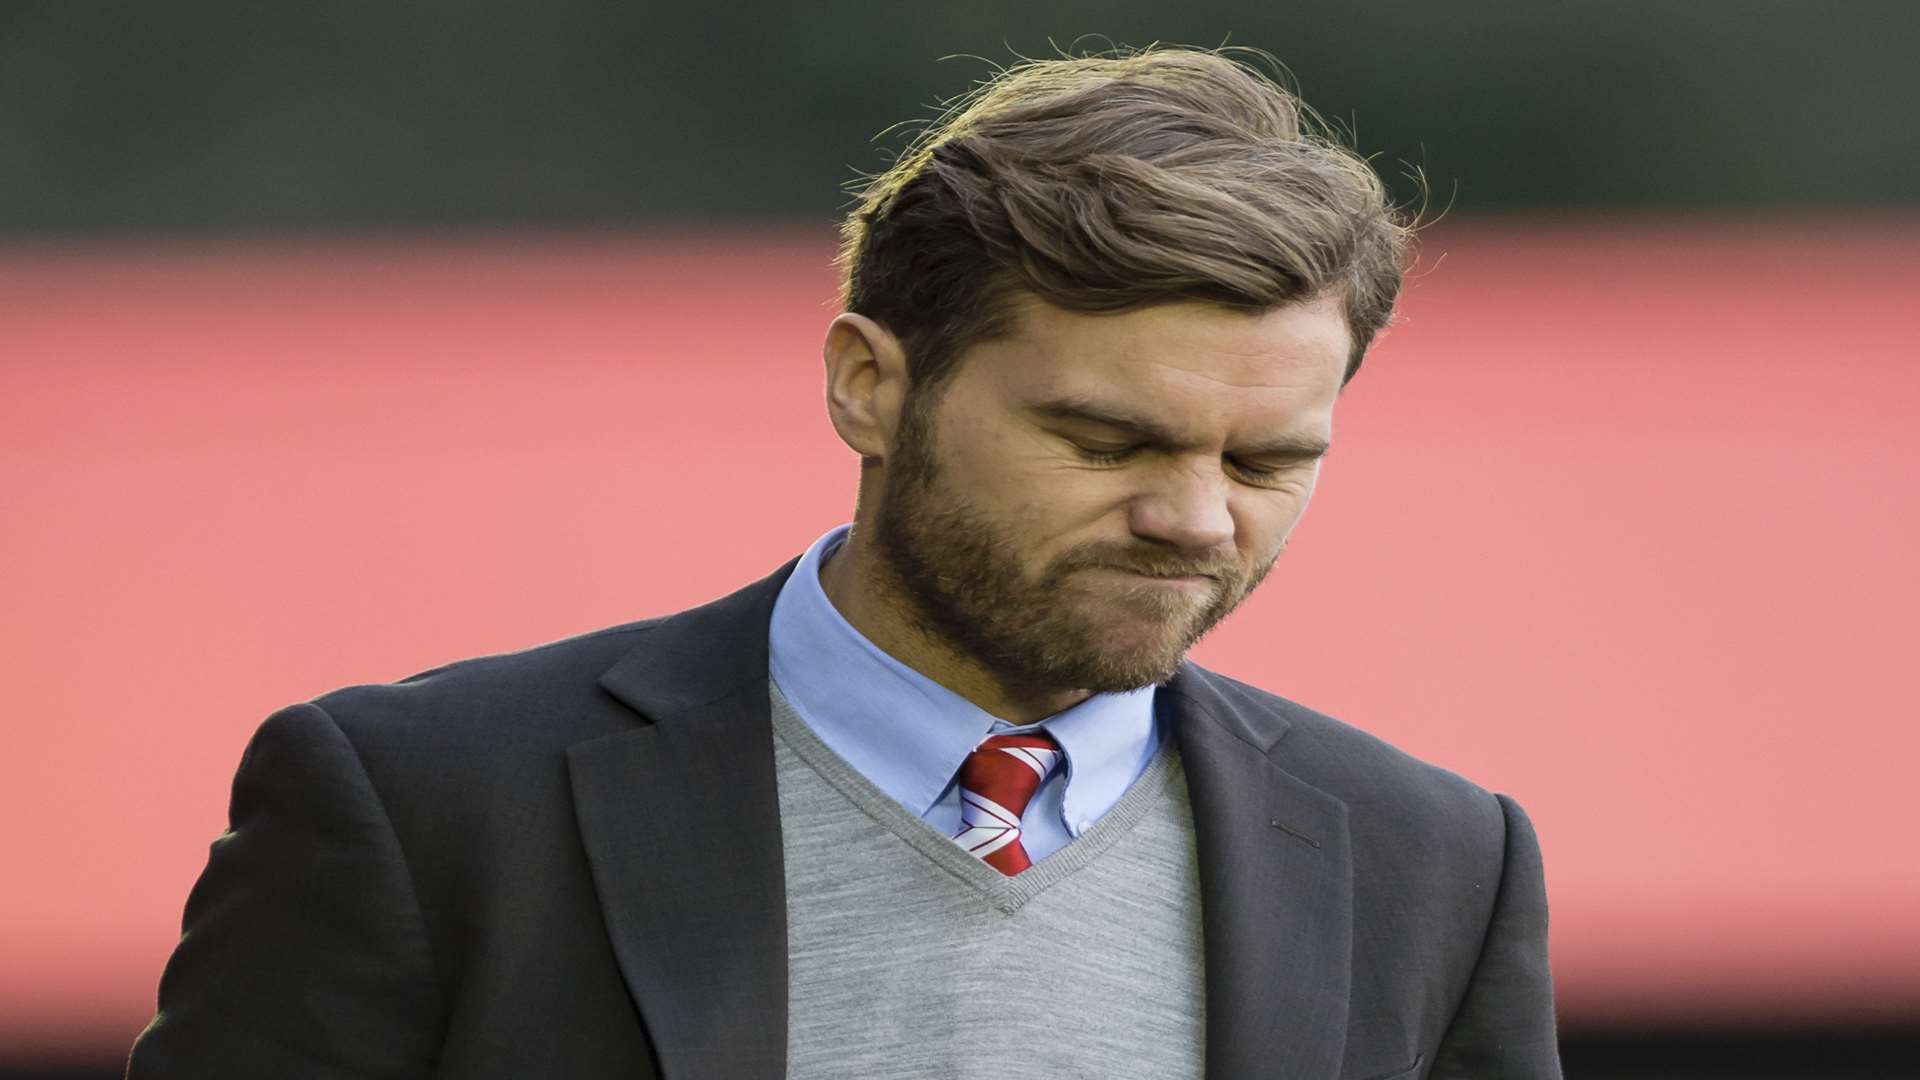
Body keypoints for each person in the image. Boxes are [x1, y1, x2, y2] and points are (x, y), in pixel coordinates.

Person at [128, 45, 1561, 1080]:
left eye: (1266, 463)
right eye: (1108, 440)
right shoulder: (425, 803)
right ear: (871, 384)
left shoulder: (1434, 866)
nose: (1195, 518)